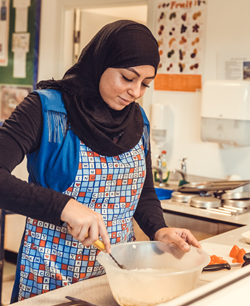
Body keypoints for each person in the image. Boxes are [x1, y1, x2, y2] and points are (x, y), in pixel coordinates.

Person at [0, 20, 201, 302]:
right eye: (127, 78)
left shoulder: (138, 121)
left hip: (117, 276)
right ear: (100, 61)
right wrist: (64, 206)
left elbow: (142, 193)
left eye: (145, 84)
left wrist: (160, 229)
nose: (135, 92)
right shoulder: (46, 109)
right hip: (50, 275)